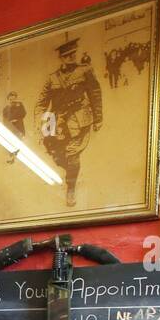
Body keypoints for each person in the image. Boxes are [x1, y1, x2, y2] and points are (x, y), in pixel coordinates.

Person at [34, 35, 102, 208]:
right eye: (66, 56)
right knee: (56, 156)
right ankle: (70, 172)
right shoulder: (52, 78)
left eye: (73, 54)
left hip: (79, 118)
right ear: (61, 58)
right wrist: (39, 124)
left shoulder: (85, 71)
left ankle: (70, 189)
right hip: (57, 121)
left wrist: (98, 117)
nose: (70, 57)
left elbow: (95, 93)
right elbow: (41, 103)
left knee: (72, 155)